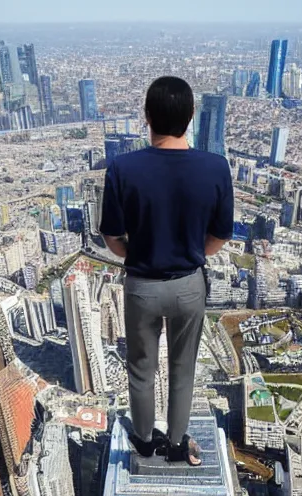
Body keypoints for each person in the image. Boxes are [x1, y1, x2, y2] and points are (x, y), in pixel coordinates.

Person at [100, 76, 234, 466]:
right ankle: (176, 444)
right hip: (189, 285)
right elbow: (221, 234)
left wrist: (137, 255)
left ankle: (144, 441)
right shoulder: (215, 167)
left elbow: (110, 234)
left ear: (147, 117)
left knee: (141, 369)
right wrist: (193, 256)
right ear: (191, 116)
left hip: (141, 284)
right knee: (183, 370)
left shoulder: (122, 168)